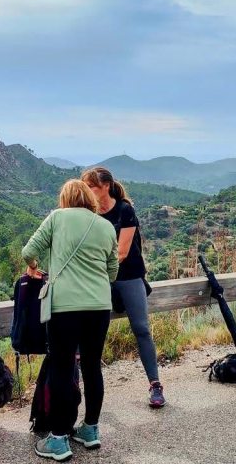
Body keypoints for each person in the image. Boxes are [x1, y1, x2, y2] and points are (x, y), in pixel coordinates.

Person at [23, 179, 119, 461]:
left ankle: (59, 439)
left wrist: (34, 268)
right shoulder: (105, 226)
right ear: (89, 198)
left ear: (64, 198)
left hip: (64, 307)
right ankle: (90, 430)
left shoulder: (56, 218)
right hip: (99, 306)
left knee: (62, 368)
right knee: (92, 367)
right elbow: (112, 271)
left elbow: (28, 252)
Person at [81, 167, 166, 408]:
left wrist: (93, 265)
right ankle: (82, 389)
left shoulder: (125, 211)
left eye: (92, 187)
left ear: (106, 186)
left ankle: (155, 385)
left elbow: (122, 252)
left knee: (141, 329)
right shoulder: (89, 213)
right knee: (91, 333)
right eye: (85, 187)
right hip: (101, 279)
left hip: (128, 277)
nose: (88, 192)